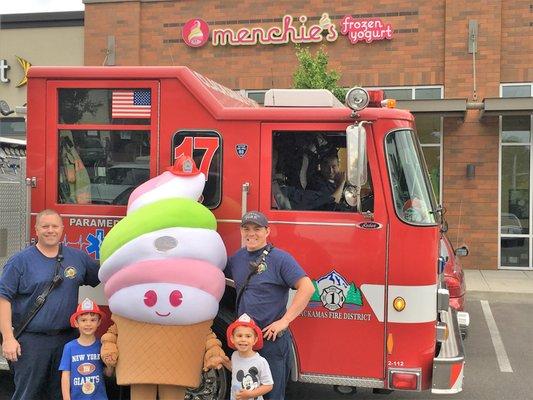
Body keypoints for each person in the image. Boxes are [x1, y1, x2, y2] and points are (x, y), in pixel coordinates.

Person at [0, 209, 100, 400]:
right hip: (31, 342)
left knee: (62, 394)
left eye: (55, 226)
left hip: (67, 341)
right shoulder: (20, 261)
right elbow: (3, 298)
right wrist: (8, 338)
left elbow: (106, 276)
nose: (50, 230)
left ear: (62, 229)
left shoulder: (78, 258)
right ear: (36, 229)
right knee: (28, 394)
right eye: (45, 226)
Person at [226, 211, 314, 400]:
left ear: (267, 231)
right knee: (245, 395)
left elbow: (307, 287)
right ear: (241, 231)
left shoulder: (280, 259)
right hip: (245, 341)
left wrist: (285, 321)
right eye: (246, 229)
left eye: (257, 229)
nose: (251, 233)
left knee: (272, 396)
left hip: (271, 340)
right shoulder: (236, 259)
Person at [59, 298, 113, 400]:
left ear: (99, 322)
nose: (88, 324)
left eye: (93, 320)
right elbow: (66, 376)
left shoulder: (102, 346)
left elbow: (108, 374)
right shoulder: (69, 347)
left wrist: (110, 365)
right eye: (83, 320)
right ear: (76, 323)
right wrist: (66, 398)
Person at [223, 313, 273, 400]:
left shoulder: (260, 361)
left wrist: (250, 394)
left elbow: (268, 385)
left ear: (255, 340)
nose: (243, 339)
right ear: (232, 339)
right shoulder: (235, 355)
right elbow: (235, 368)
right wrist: (222, 361)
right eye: (239, 336)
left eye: (248, 336)